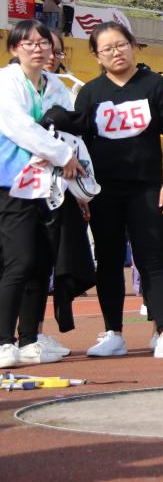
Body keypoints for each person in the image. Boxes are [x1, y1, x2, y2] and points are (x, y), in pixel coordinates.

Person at [74, 21, 163, 359]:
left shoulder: (154, 85)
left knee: (153, 258)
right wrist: (82, 194)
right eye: (107, 48)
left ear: (132, 45)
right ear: (96, 55)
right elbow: (79, 145)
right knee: (108, 260)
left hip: (148, 188)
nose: (116, 52)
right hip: (104, 192)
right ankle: (113, 333)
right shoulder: (90, 93)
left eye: (121, 45)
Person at [0, 20, 83, 367]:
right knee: (19, 260)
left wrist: (68, 154)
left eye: (43, 43)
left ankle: (29, 339)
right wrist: (63, 154)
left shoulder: (56, 85)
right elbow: (19, 127)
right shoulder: (6, 82)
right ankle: (4, 341)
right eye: (29, 43)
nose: (38, 49)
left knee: (41, 264)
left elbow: (69, 128)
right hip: (13, 183)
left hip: (49, 186)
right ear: (14, 48)